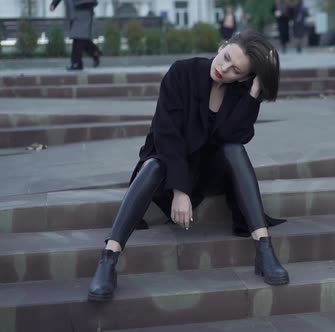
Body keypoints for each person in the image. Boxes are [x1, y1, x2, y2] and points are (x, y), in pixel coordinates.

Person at [87, 30, 289, 302]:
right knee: (154, 166)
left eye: (235, 70)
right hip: (169, 165)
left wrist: (254, 93)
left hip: (207, 173)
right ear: (222, 46)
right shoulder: (182, 72)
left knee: (233, 149)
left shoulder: (240, 92)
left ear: (244, 77)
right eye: (226, 57)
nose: (223, 68)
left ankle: (264, 251)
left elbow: (233, 135)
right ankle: (108, 259)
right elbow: (166, 135)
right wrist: (180, 191)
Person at [50, 0, 102, 70]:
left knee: (79, 38)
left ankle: (77, 63)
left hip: (83, 9)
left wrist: (54, 4)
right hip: (74, 10)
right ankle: (94, 52)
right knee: (80, 38)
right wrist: (54, 4)